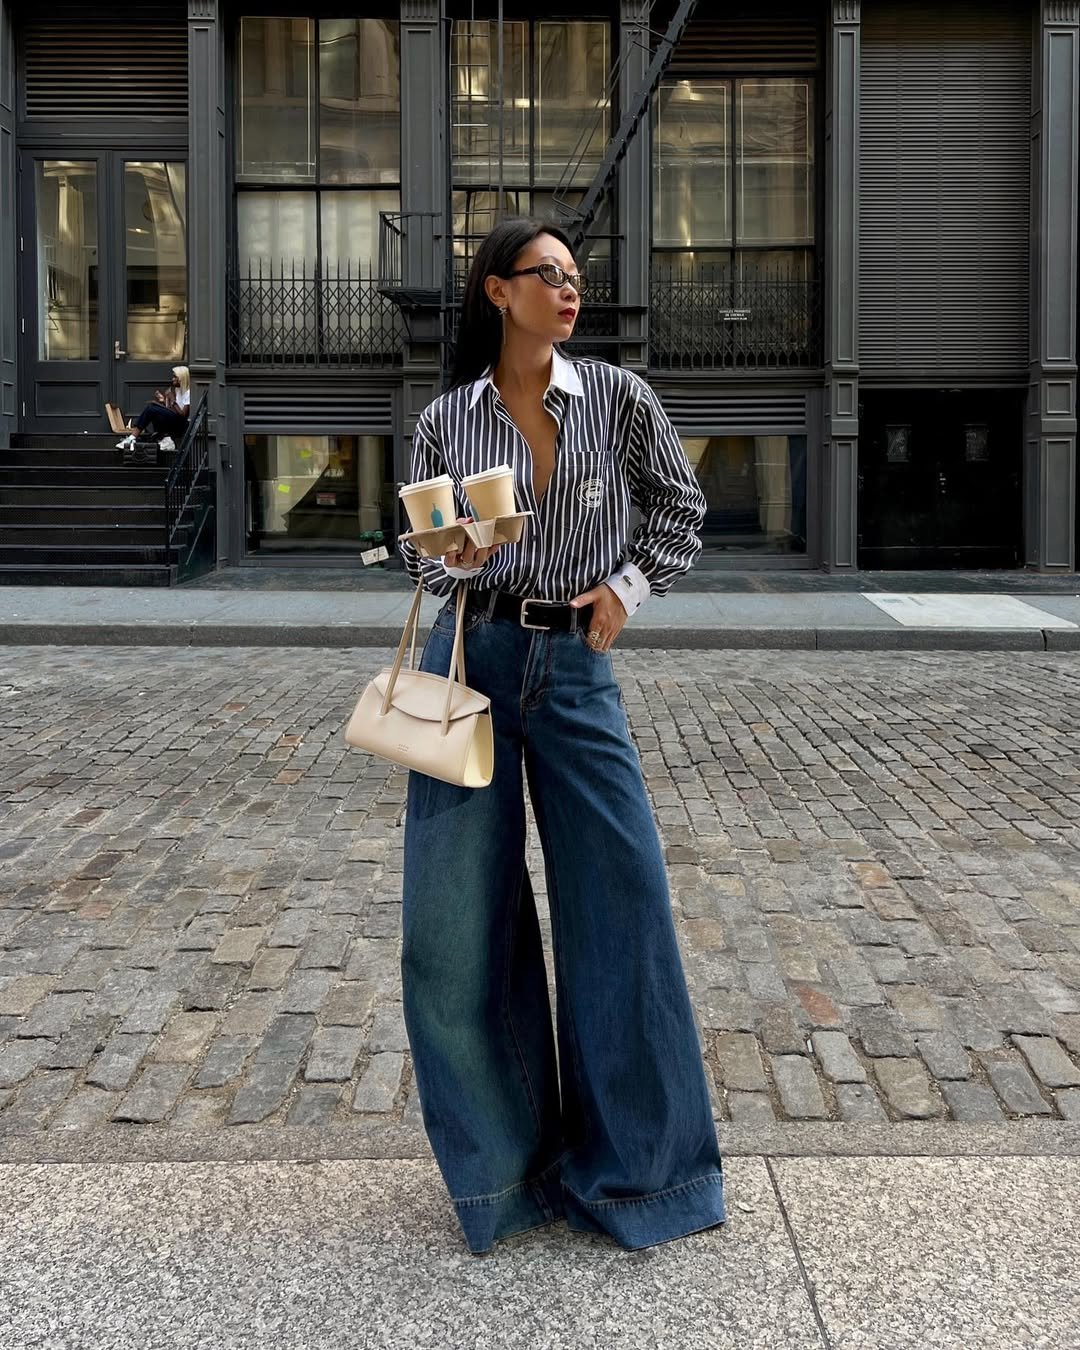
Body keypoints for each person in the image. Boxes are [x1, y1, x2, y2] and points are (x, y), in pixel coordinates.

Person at [397, 217, 725, 1256]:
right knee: (455, 929)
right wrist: (451, 552)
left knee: (621, 904)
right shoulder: (448, 418)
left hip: (577, 670)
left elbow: (681, 511)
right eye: (549, 276)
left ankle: (643, 1181)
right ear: (498, 292)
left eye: (577, 277)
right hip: (477, 664)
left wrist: (625, 589)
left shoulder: (619, 399)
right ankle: (505, 1177)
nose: (570, 291)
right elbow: (424, 557)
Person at [116, 365, 190, 448]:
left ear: (182, 378)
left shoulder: (188, 393)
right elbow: (172, 410)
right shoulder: (178, 390)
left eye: (175, 377)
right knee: (154, 410)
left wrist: (173, 400)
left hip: (181, 425)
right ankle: (166, 440)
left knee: (151, 408)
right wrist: (163, 401)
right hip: (175, 421)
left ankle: (132, 438)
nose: (172, 379)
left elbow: (183, 414)